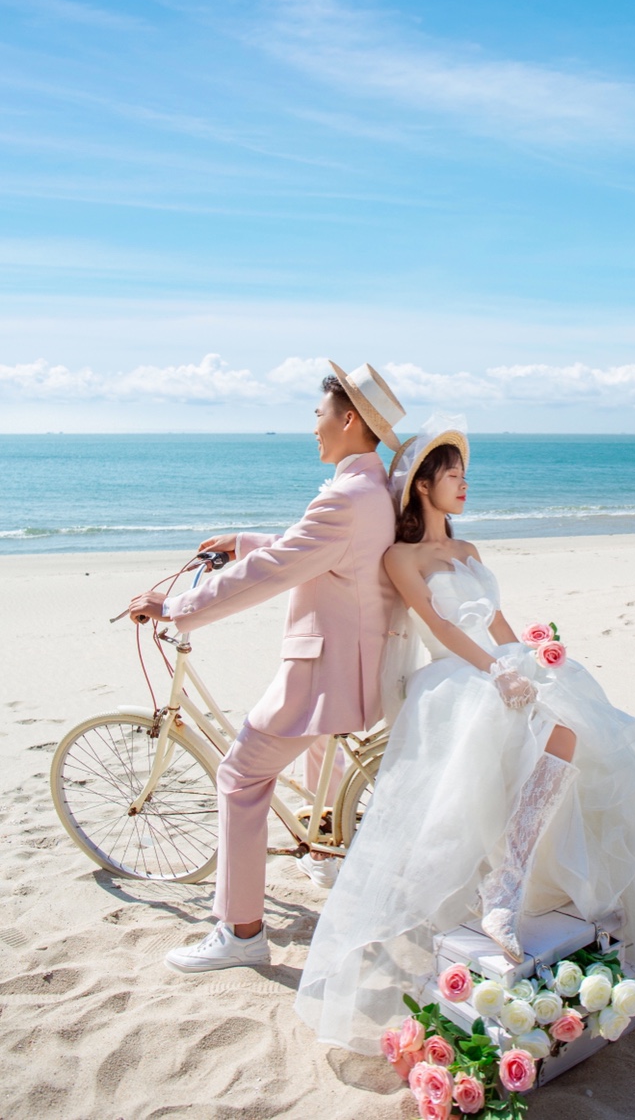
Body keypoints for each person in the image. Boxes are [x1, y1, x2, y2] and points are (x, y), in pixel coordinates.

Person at [294, 419, 635, 1052]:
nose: (464, 485)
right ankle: (502, 892)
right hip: (454, 676)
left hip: (496, 664)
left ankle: (511, 881)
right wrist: (496, 671)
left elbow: (498, 624)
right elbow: (440, 627)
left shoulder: (469, 551)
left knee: (579, 723)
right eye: (453, 475)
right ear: (423, 485)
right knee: (544, 725)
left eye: (465, 475)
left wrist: (533, 660)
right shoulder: (403, 557)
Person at [126, 363, 405, 973]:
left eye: (318, 414)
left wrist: (176, 607)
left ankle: (240, 931)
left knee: (240, 776)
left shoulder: (344, 498)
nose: (313, 425)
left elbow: (275, 571)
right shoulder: (375, 489)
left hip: (328, 672)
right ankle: (324, 856)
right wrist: (246, 539)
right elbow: (312, 548)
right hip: (361, 667)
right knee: (315, 754)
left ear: (348, 419)